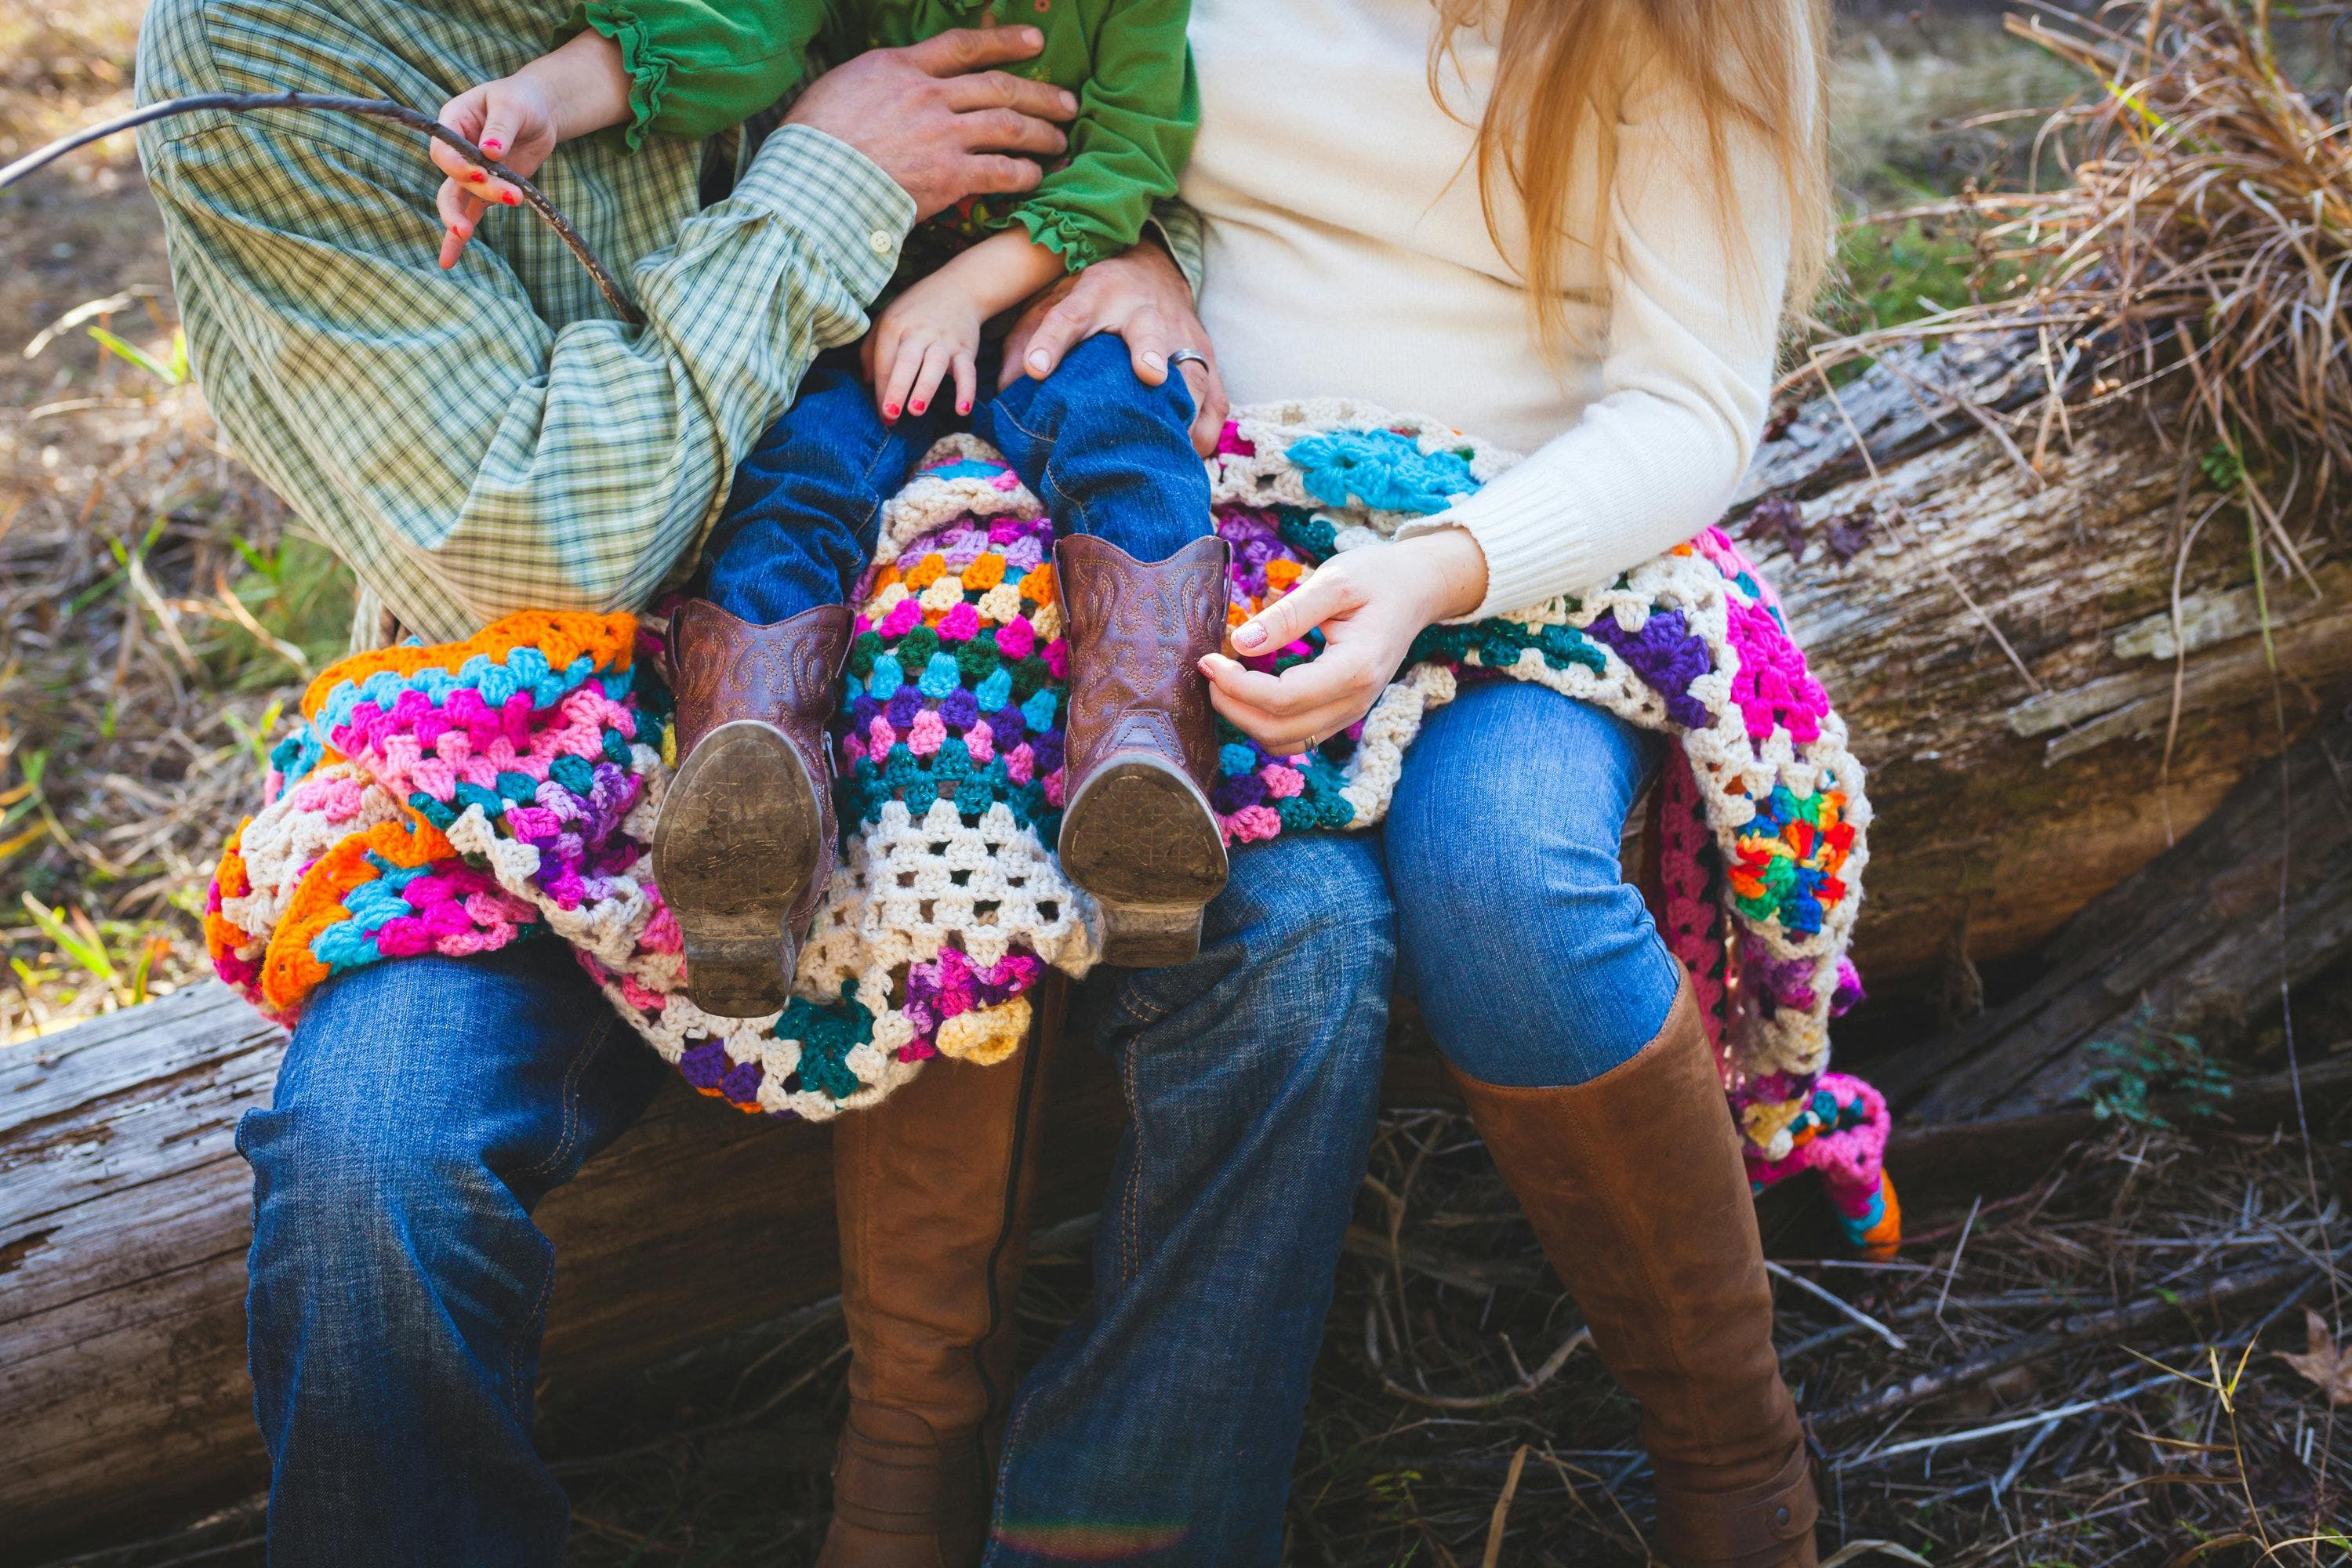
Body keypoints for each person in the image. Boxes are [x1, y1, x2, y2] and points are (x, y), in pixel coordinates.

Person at [134, 2, 1393, 1564]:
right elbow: (541, 540)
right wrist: (827, 175)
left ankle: (1111, 1526)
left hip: (967, 641)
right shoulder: (277, 49)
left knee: (1305, 948)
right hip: (541, 750)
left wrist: (1148, 254)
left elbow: (1124, 100)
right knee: (367, 1165)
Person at [1005, 0, 1835, 1563]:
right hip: (1223, 526)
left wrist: (1436, 574)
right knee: (1285, 925)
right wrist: (1125, 247)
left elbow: (1691, 406)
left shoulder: (1692, 22)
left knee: (1504, 875)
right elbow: (1087, 109)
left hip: (1538, 553)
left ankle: (1739, 1467)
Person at [421, 1, 1226, 1015]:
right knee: (797, 473)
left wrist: (967, 293)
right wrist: (542, 100)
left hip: (1047, 290)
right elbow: (730, 31)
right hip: (866, 303)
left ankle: (1145, 755)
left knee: (1126, 434)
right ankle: (748, 796)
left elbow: (1128, 155)